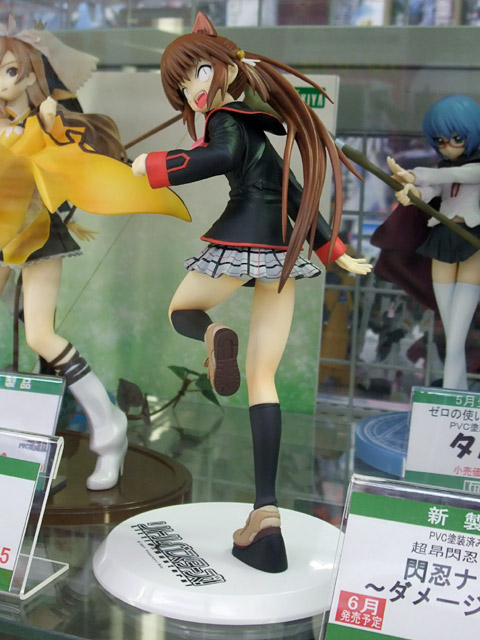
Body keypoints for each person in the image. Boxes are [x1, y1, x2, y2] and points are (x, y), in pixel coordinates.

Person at [132, 11, 371, 572]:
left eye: (199, 73)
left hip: (240, 236)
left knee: (182, 309)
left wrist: (154, 165)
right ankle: (266, 513)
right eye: (182, 86)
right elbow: (295, 195)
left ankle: (213, 334)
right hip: (281, 252)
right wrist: (334, 251)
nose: (194, 91)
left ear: (230, 68)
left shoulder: (227, 121)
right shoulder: (258, 128)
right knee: (263, 378)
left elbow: (220, 157)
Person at [0, 18, 189, 490]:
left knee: (40, 335)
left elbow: (72, 167)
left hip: (34, 238)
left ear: (30, 74)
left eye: (9, 71)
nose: (2, 82)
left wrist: (55, 129)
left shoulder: (45, 121)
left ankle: (109, 429)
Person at [387, 94, 480, 390]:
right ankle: (457, 391)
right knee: (451, 330)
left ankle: (452, 392)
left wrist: (415, 175)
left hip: (472, 240)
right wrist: (412, 194)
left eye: (456, 138)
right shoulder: (443, 168)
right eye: (440, 141)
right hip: (442, 237)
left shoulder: (473, 168)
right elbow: (432, 193)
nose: (447, 146)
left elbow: (456, 174)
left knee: (457, 331)